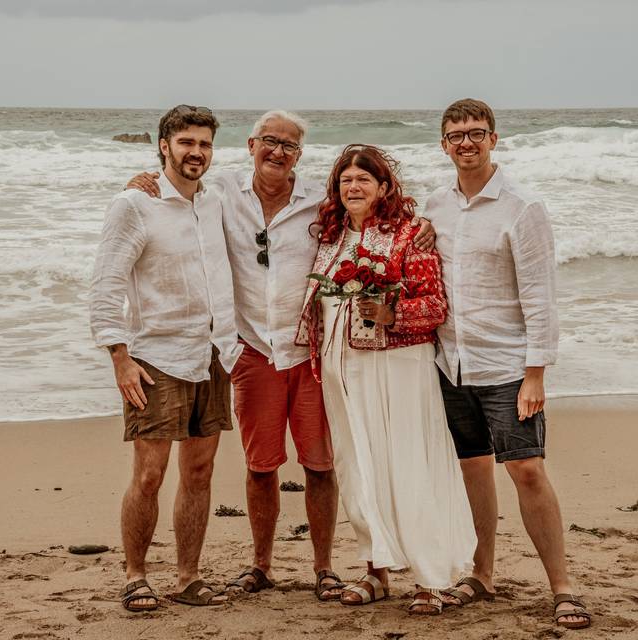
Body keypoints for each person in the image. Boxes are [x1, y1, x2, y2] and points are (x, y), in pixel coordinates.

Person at [125, 111, 435, 601]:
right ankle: (261, 565)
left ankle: (324, 567)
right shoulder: (220, 192)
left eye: (289, 145)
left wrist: (424, 226)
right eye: (269, 141)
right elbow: (173, 193)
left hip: (312, 351)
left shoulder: (318, 198)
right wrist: (141, 182)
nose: (278, 151)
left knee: (319, 464)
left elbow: (370, 208)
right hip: (250, 350)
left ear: (300, 154)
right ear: (250, 145)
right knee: (261, 467)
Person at [426, 99, 591, 629]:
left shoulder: (522, 207)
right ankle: (482, 574)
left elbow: (541, 296)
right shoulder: (434, 206)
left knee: (526, 469)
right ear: (443, 144)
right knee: (472, 469)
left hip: (505, 365)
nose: (466, 142)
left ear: (494, 139)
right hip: (449, 364)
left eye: (476, 133)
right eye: (456, 135)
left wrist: (536, 372)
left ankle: (562, 586)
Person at [295, 144, 476, 615]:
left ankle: (430, 578)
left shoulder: (409, 235)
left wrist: (393, 314)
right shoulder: (331, 237)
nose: (353, 187)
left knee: (407, 465)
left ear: (383, 186)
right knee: (358, 469)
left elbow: (435, 307)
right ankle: (374, 571)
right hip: (341, 371)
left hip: (398, 368)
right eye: (345, 180)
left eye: (364, 179)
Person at [90, 105, 241, 611]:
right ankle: (135, 575)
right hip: (156, 356)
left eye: (204, 144)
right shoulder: (134, 204)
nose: (196, 153)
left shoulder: (217, 198)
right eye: (186, 143)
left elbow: (279, 185)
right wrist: (119, 356)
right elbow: (107, 283)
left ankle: (187, 576)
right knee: (149, 475)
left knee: (199, 473)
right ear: (163, 146)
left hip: (214, 352)